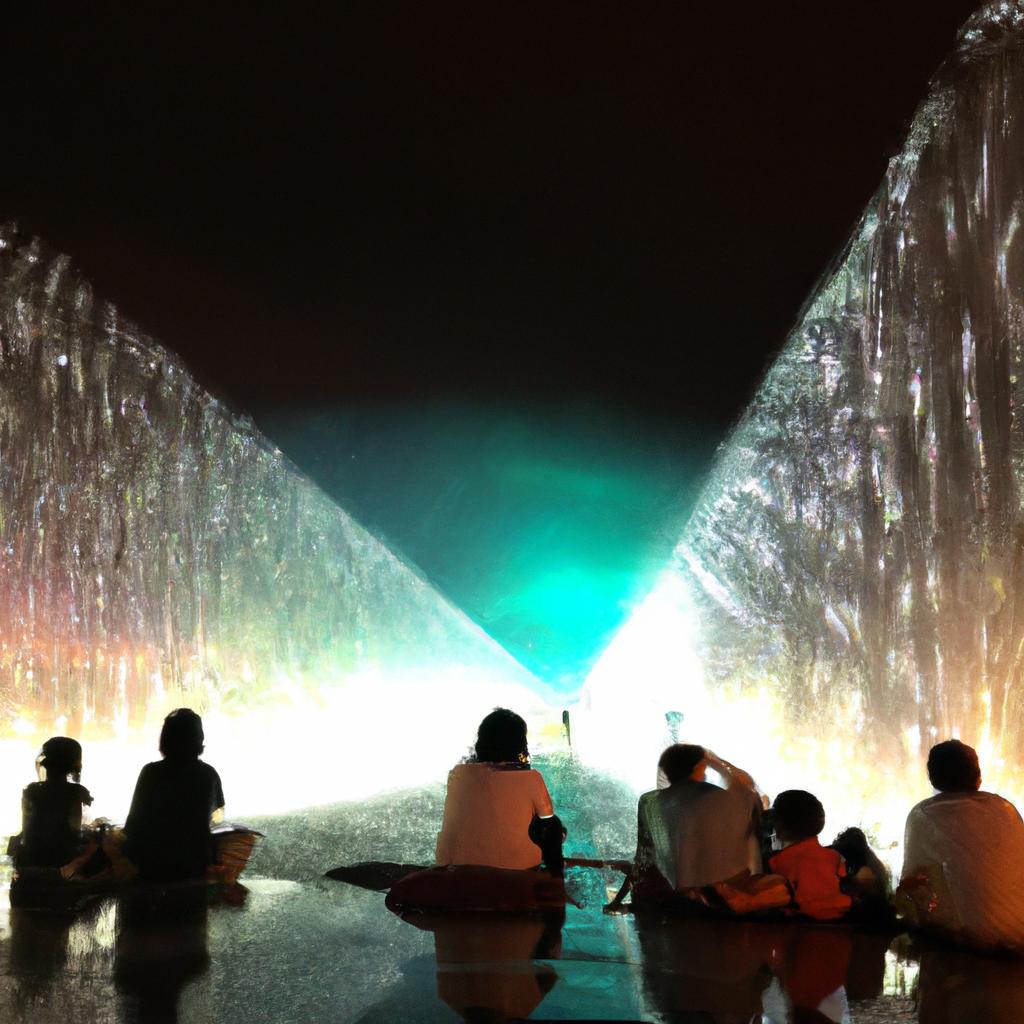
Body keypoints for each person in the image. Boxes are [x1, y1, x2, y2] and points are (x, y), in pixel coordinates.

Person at [898, 738, 1024, 951]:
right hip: (1019, 931)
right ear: (978, 777)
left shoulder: (923, 815)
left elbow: (911, 883)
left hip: (968, 940)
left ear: (933, 778)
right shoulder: (1005, 809)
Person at [435, 708, 562, 873]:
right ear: (520, 744)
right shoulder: (531, 777)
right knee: (553, 824)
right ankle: (555, 875)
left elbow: (453, 824)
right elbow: (547, 820)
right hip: (520, 869)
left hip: (459, 868)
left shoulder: (458, 774)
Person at [632, 743, 762, 897]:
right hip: (725, 897)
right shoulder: (718, 798)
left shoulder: (650, 802)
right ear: (700, 767)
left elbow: (645, 856)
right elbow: (747, 787)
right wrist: (716, 762)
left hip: (675, 898)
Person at [123, 708, 225, 882]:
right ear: (199, 739)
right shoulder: (209, 774)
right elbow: (217, 822)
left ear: (165, 739)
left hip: (152, 864)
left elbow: (134, 823)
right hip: (194, 864)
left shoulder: (150, 772)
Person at [768, 789, 852, 920]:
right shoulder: (834, 857)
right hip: (842, 923)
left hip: (800, 927)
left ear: (780, 825)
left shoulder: (777, 862)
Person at [14, 736, 93, 873]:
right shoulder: (76, 792)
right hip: (62, 857)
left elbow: (26, 829)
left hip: (32, 856)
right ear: (73, 766)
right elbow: (75, 830)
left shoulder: (31, 790)